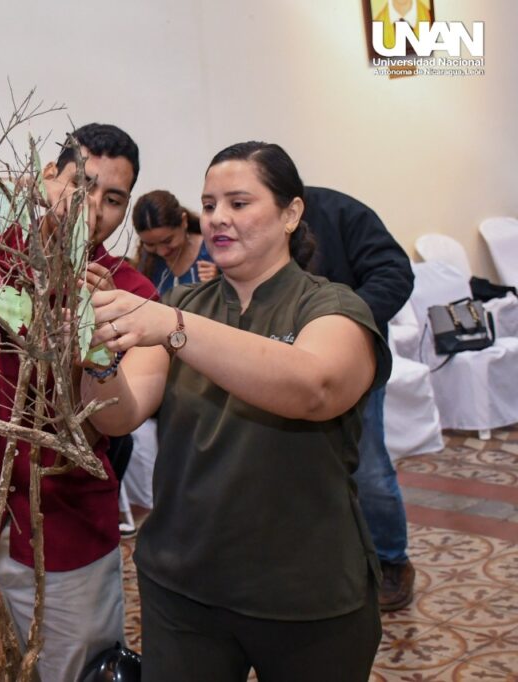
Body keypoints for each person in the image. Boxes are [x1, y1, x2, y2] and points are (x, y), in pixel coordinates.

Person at [84, 142, 392, 681]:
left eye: (239, 203)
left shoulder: (332, 307)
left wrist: (173, 327)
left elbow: (315, 387)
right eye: (208, 204)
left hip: (305, 597)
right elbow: (117, 416)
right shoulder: (181, 307)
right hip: (184, 591)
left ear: (291, 213)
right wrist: (95, 355)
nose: (218, 217)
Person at [0, 123, 157, 682]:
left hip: (64, 526)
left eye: (113, 199)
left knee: (78, 671)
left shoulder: (128, 292)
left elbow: (124, 416)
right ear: (48, 177)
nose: (94, 208)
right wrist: (21, 189)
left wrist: (91, 346)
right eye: (81, 184)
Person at [304, 186, 416, 611]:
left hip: (355, 362)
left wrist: (342, 323)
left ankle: (391, 561)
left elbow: (394, 272)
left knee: (368, 468)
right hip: (290, 366)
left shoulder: (341, 212)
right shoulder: (255, 225)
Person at [132, 189, 218, 294]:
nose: (161, 252)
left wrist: (220, 282)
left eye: (167, 241)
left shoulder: (213, 250)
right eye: (150, 244)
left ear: (184, 221)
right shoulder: (148, 263)